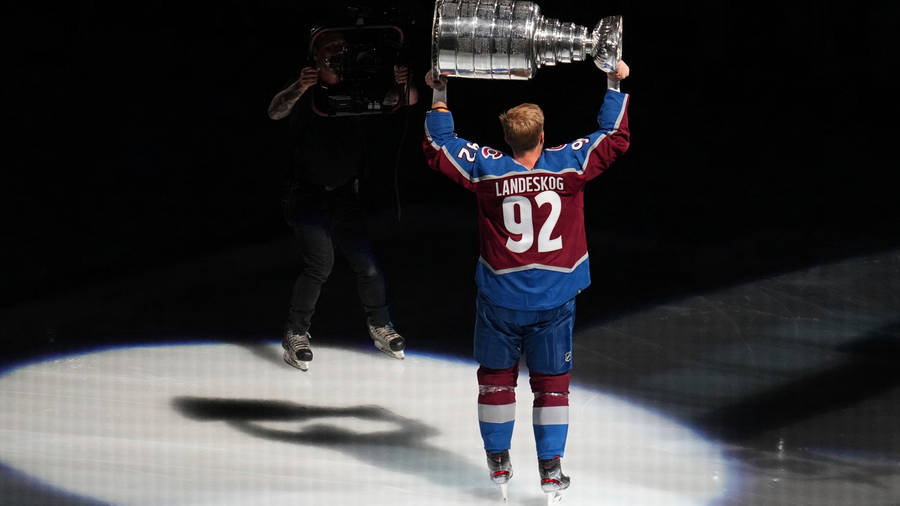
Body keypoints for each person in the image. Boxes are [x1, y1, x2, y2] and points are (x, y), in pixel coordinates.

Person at [423, 60, 630, 499]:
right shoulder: (568, 165)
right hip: (555, 298)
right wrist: (615, 80)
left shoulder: (487, 169)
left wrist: (439, 91)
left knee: (496, 378)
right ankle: (551, 470)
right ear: (541, 136)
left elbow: (439, 145)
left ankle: (498, 462)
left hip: (500, 296)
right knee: (552, 385)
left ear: (507, 139)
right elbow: (614, 138)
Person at [268, 29, 418, 371]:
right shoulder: (307, 90)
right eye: (328, 50)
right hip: (306, 194)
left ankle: (381, 325)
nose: (336, 55)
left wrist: (401, 82)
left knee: (367, 264)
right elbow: (275, 112)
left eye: (341, 49)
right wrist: (299, 86)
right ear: (315, 57)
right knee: (320, 264)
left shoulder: (359, 85)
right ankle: (296, 333)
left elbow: (406, 99)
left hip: (343, 195)